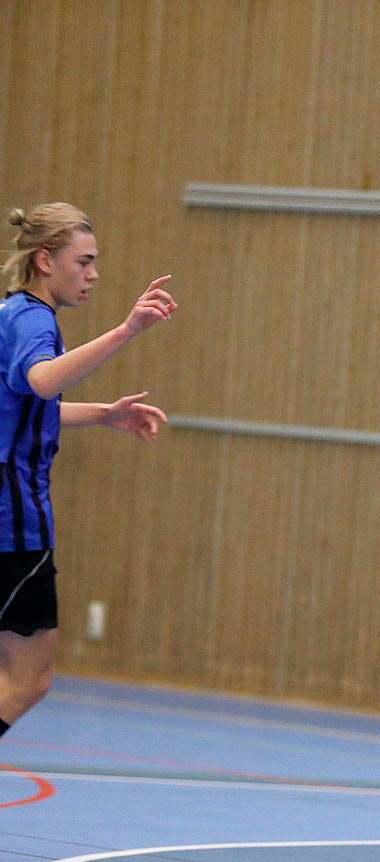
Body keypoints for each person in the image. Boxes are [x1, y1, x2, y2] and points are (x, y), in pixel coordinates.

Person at [0, 203, 177, 739]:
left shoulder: (9, 313)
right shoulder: (32, 319)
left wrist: (105, 413)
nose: (94, 274)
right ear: (45, 260)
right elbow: (43, 381)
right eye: (85, 261)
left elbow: (23, 407)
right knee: (28, 679)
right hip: (14, 521)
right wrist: (126, 331)